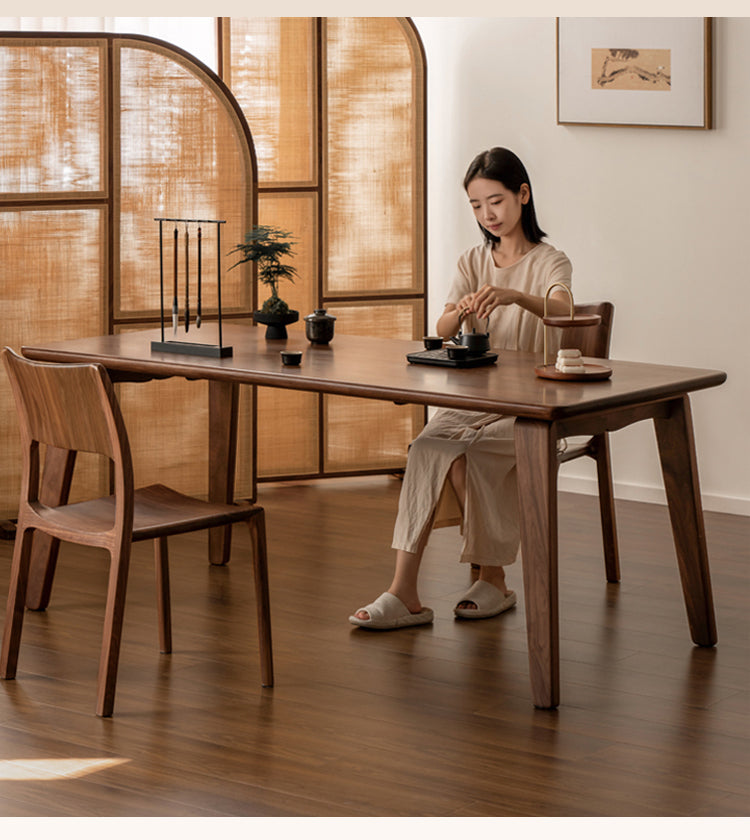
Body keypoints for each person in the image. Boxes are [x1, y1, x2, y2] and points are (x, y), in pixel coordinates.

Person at [349, 147, 573, 630]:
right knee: (428, 445)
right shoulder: (473, 259)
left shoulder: (551, 261)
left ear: (523, 195)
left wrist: (513, 295)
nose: (486, 215)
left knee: (475, 452)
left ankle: (493, 579)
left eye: (495, 201)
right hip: (475, 397)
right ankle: (403, 590)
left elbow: (563, 313)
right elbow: (443, 323)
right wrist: (462, 310)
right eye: (475, 205)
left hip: (531, 405)